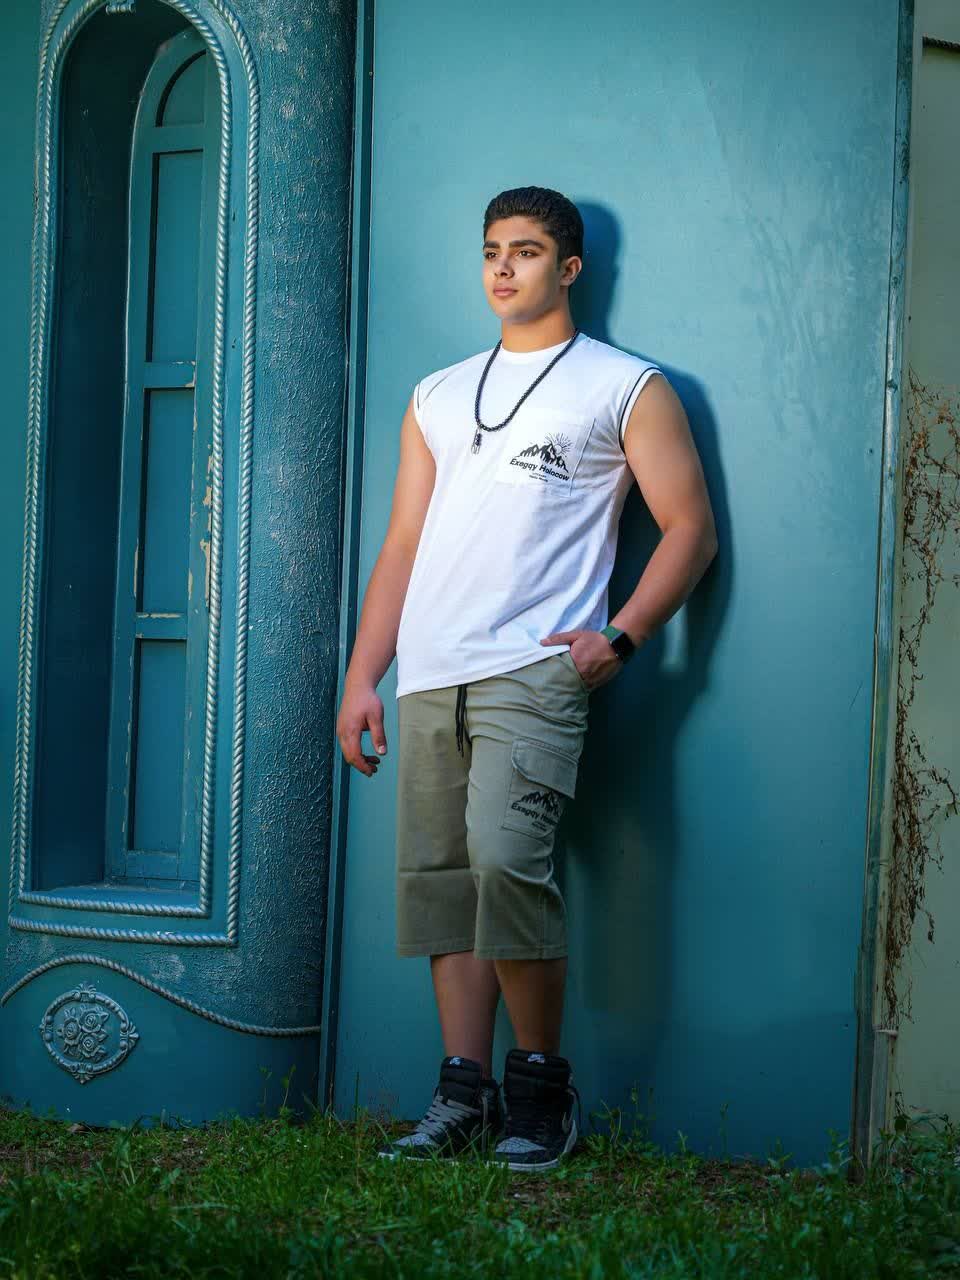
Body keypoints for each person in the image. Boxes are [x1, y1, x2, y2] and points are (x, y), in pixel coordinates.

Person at [336, 186, 717, 1172]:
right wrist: (364, 675)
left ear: (569, 267)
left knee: (508, 865)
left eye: (528, 251)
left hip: (533, 671)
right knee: (443, 885)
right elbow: (403, 544)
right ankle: (464, 1094)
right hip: (430, 672)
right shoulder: (436, 393)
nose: (504, 267)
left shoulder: (624, 385)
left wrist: (620, 637)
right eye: (492, 250)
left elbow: (690, 529)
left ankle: (543, 1093)